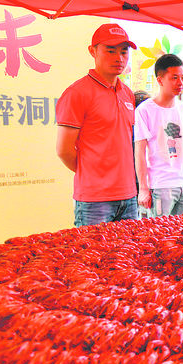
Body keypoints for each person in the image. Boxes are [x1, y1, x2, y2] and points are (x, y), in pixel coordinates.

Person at [56, 23, 139, 227]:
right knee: (93, 257)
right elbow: (64, 150)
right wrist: (92, 173)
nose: (118, 58)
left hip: (129, 197)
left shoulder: (127, 93)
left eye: (123, 51)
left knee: (129, 256)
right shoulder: (77, 93)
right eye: (110, 51)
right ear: (92, 51)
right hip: (94, 200)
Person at [133, 54, 183, 217]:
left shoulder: (182, 108)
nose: (180, 83)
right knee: (161, 236)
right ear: (160, 80)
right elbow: (140, 151)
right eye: (174, 78)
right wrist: (143, 188)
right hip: (160, 185)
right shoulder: (144, 110)